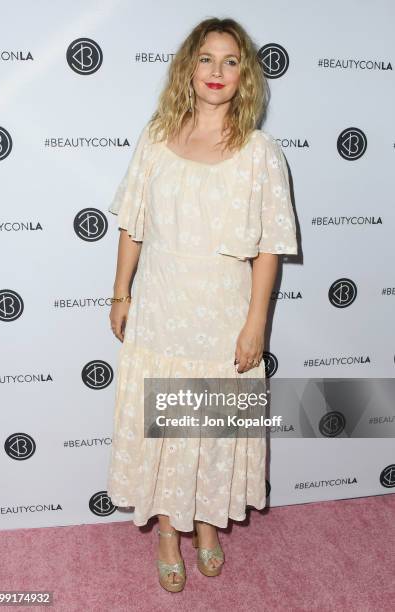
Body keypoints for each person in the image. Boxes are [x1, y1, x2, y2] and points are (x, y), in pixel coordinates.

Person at [106, 17, 298, 592]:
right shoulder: (156, 139)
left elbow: (269, 247)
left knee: (212, 426)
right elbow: (132, 226)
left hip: (223, 309)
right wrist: (121, 293)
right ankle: (169, 532)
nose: (217, 71)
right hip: (162, 305)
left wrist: (255, 323)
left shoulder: (262, 153)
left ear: (245, 75)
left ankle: (209, 526)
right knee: (167, 428)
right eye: (207, 58)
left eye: (231, 60)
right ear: (189, 66)